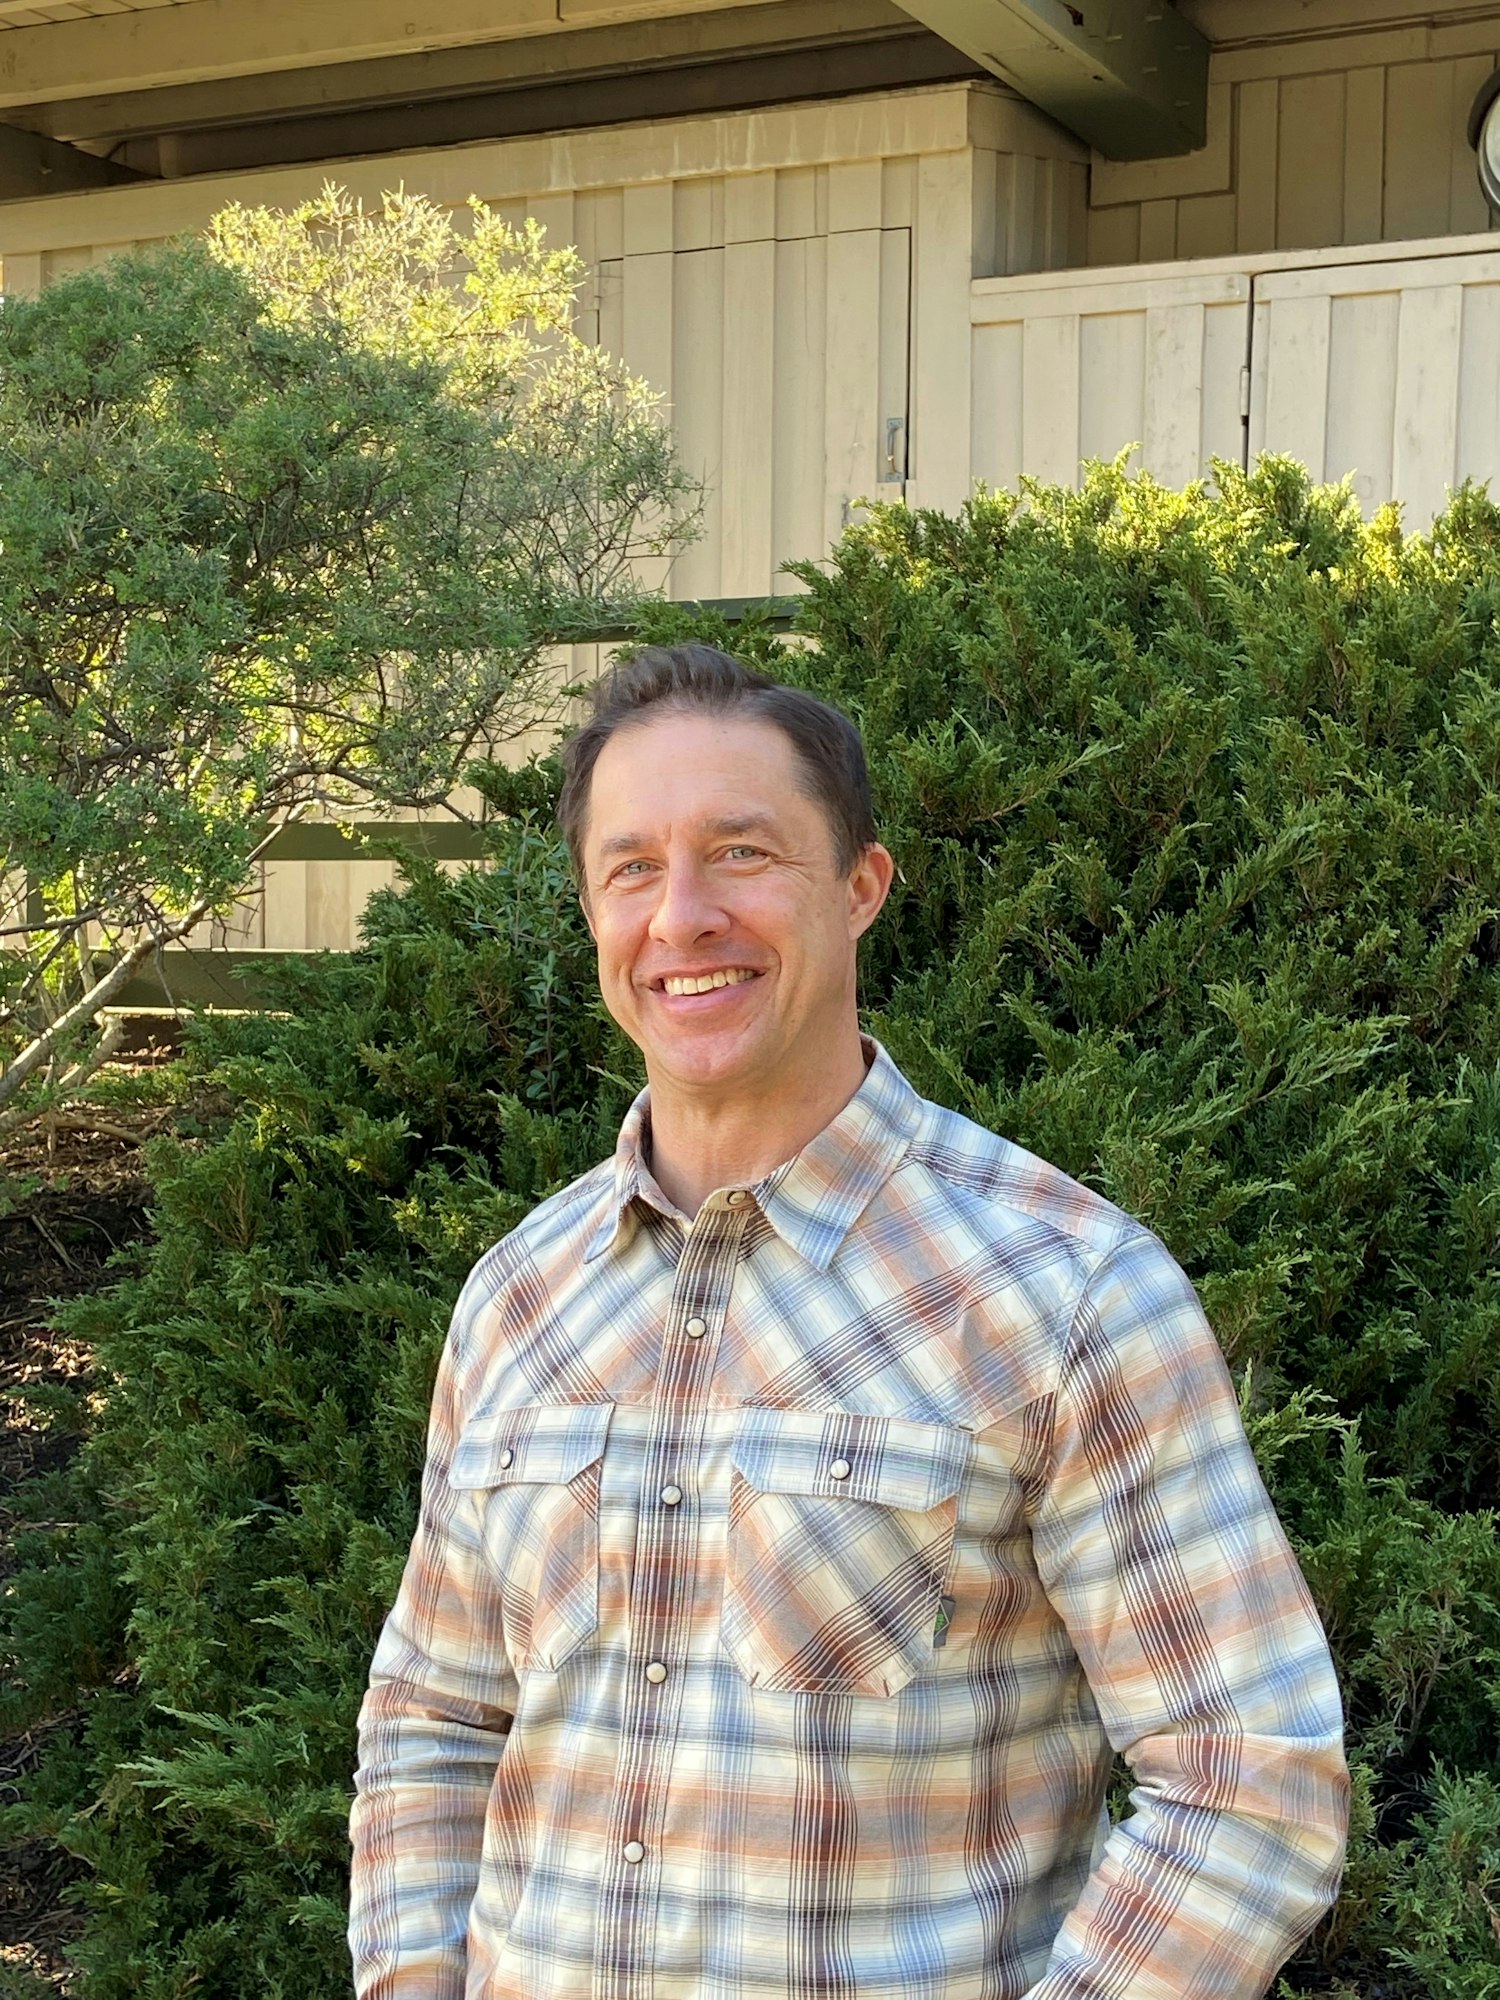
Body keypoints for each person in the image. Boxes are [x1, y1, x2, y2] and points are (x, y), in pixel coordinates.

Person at [348, 643, 1349, 2000]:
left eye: (742, 853)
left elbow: (1247, 1782)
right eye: (631, 868)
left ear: (860, 886)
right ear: (591, 912)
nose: (682, 915)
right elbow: (433, 1719)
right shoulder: (520, 1296)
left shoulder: (1063, 1291)